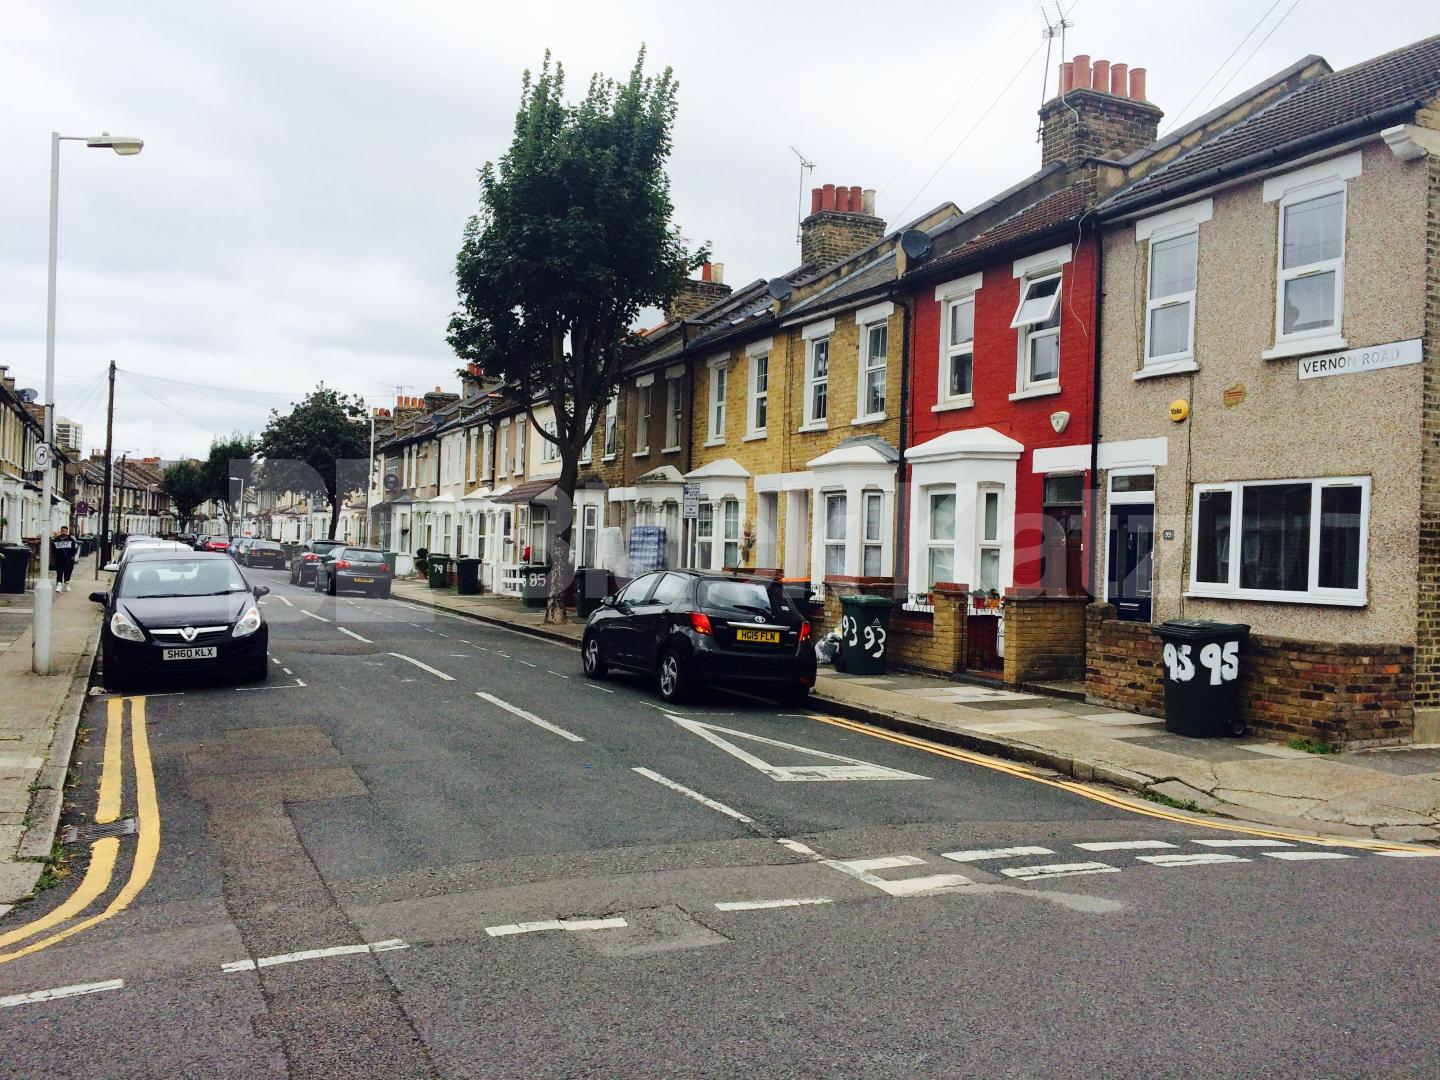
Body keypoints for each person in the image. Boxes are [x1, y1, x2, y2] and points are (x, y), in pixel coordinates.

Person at [51, 525, 78, 593]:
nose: (64, 532)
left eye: (65, 531)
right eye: (62, 531)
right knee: (59, 572)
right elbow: (53, 550)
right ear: (61, 531)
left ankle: (67, 584)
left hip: (69, 559)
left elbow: (74, 549)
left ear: (67, 532)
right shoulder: (56, 540)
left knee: (68, 572)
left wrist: (72, 556)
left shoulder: (71, 540)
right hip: (59, 559)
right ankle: (59, 585)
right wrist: (54, 557)